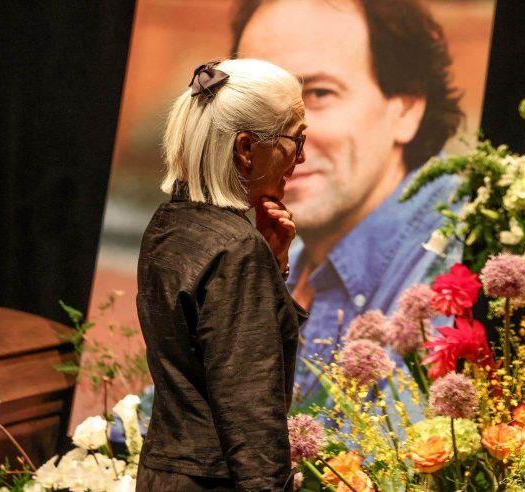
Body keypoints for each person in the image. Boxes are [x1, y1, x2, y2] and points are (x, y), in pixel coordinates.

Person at [231, 0, 464, 402]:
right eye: (256, 103)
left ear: (408, 105)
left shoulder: (462, 255)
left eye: (319, 94)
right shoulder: (274, 260)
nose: (277, 139)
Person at [135, 58, 308, 491]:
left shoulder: (167, 224)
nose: (301, 158)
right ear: (247, 148)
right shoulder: (237, 248)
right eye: (297, 139)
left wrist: (272, 264)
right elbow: (250, 410)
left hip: (163, 474)